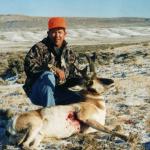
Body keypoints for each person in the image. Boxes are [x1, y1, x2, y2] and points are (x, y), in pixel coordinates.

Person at [23, 17, 83, 107]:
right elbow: (29, 67)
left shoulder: (69, 52)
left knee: (81, 98)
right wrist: (52, 69)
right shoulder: (39, 48)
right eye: (54, 32)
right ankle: (50, 113)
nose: (57, 35)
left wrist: (83, 80)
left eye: (60, 32)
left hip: (58, 91)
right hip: (37, 92)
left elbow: (75, 75)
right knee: (48, 76)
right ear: (48, 33)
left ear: (65, 34)